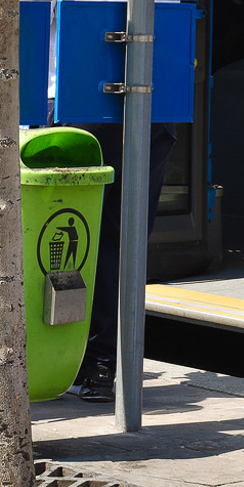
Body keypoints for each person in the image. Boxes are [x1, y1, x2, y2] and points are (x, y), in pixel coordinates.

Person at [72, 122, 176, 403]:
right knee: (120, 244)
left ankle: (76, 360)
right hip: (153, 117)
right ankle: (100, 365)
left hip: (80, 116)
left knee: (69, 238)